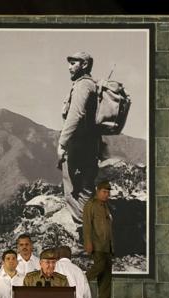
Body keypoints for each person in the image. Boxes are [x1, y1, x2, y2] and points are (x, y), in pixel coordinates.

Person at [57, 51, 101, 224]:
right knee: (86, 189)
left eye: (73, 63)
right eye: (69, 63)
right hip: (90, 146)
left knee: (75, 191)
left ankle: (90, 234)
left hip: (79, 148)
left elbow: (75, 116)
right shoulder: (91, 85)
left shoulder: (83, 86)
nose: (69, 67)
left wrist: (62, 143)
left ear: (84, 65)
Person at [83, 181, 114, 298]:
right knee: (99, 266)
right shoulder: (90, 204)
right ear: (98, 191)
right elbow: (87, 225)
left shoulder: (106, 206)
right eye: (104, 192)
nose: (107, 194)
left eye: (108, 192)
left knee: (106, 276)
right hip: (97, 245)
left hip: (107, 246)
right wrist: (88, 243)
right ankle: (81, 282)